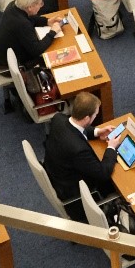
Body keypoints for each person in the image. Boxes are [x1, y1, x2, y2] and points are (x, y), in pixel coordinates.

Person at [44, 91, 123, 221]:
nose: (96, 116)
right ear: (87, 118)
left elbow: (76, 128)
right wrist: (111, 147)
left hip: (57, 173)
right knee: (117, 178)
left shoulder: (58, 118)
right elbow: (103, 173)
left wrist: (97, 132)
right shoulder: (78, 149)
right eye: (95, 114)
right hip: (73, 188)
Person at [0, 0, 62, 70]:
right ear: (30, 7)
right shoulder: (22, 24)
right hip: (8, 67)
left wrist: (47, 21)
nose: (41, 6)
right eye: (40, 4)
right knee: (55, 57)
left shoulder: (13, 6)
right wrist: (52, 32)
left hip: (0, 56)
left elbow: (29, 18)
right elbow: (37, 50)